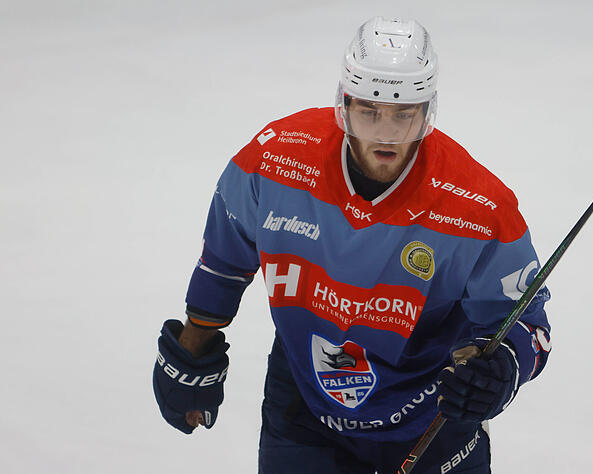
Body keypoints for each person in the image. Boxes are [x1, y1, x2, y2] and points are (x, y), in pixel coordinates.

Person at [152, 16, 552, 474]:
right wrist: (195, 340)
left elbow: (527, 325)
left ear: (427, 110)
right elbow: (226, 256)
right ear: (344, 104)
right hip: (305, 408)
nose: (386, 133)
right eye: (370, 111)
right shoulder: (274, 160)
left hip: (433, 418)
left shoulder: (479, 206)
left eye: (404, 114)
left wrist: (502, 371)